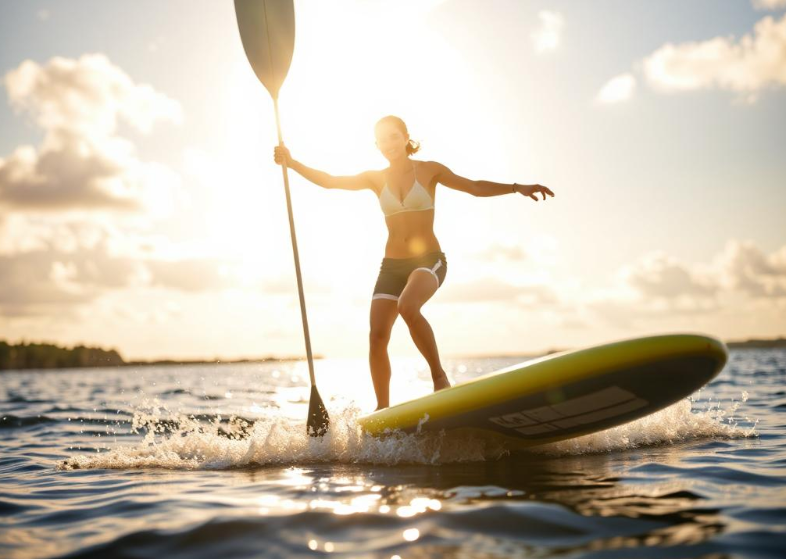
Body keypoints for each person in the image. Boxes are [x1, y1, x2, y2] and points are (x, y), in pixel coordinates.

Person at [274, 115, 554, 410]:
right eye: (382, 140)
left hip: (428, 262)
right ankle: (382, 410)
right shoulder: (375, 177)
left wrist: (515, 187)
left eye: (393, 137)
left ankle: (439, 377)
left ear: (406, 137)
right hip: (391, 267)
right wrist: (292, 163)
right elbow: (330, 182)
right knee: (377, 336)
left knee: (407, 306)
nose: (389, 144)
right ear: (376, 145)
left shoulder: (430, 170)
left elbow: (473, 186)